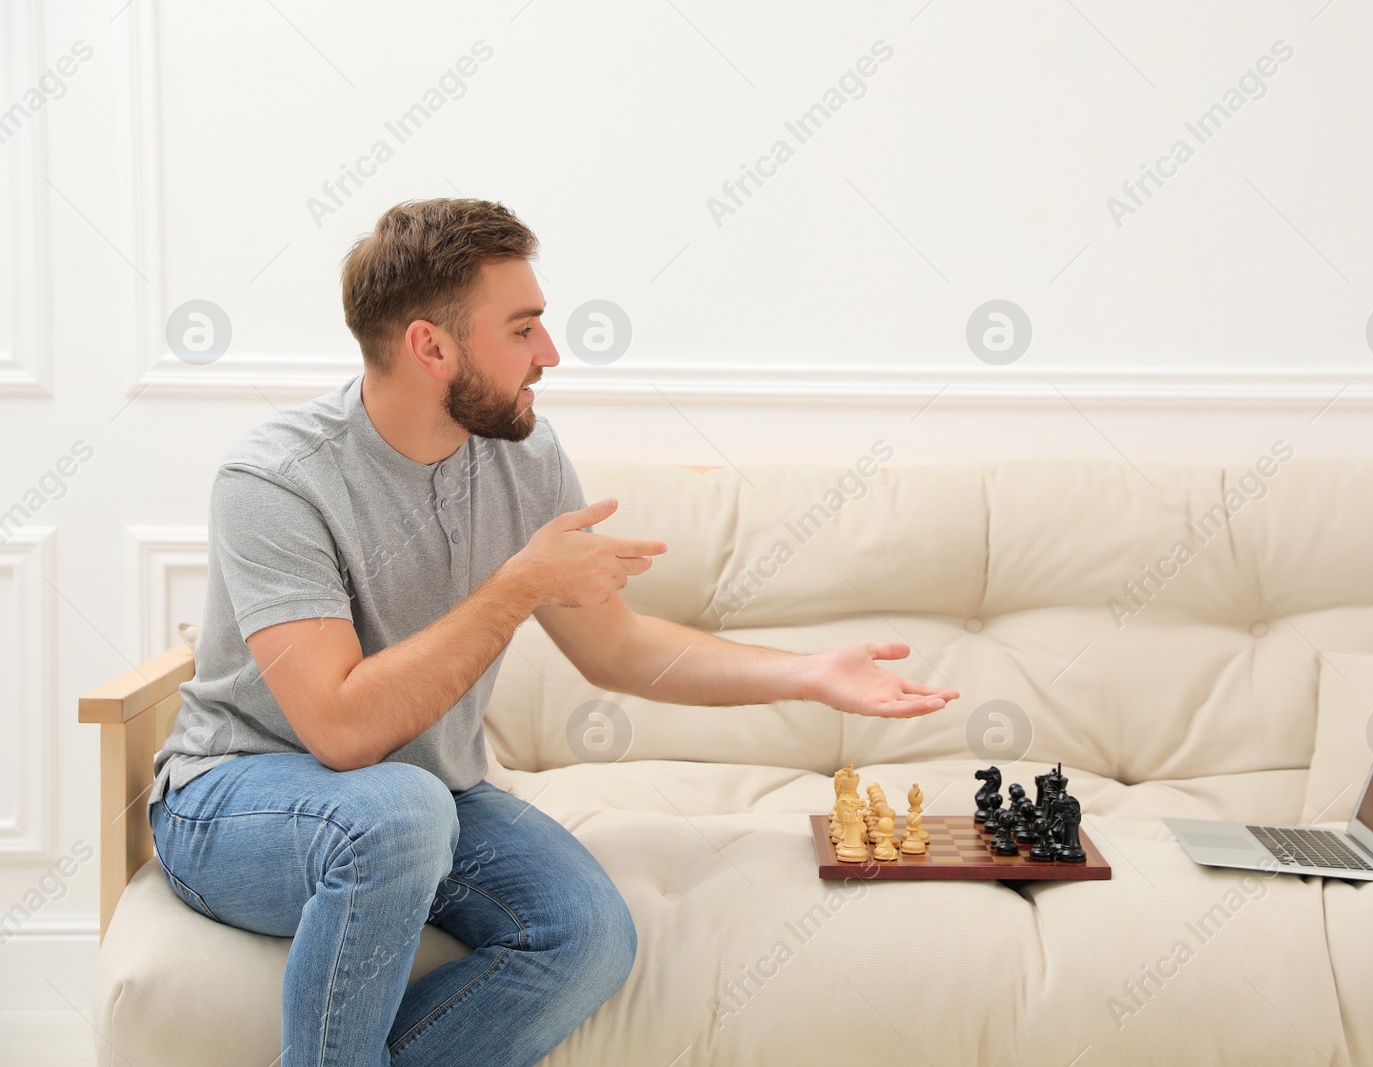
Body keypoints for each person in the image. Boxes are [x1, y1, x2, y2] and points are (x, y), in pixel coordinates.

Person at [147, 197, 960, 1067]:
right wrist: (517, 584)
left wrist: (807, 673)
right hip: (237, 800)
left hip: (426, 798)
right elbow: (341, 730)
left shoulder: (523, 456)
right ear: (432, 346)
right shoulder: (275, 479)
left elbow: (617, 647)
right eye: (523, 328)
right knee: (398, 807)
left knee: (585, 935)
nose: (550, 354)